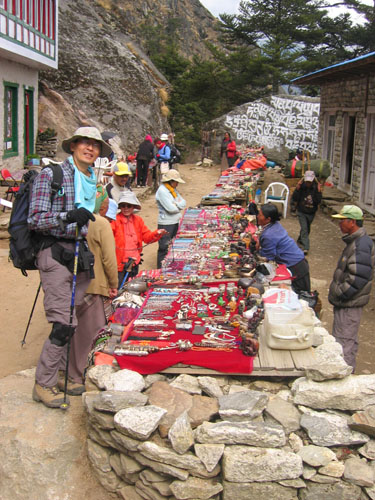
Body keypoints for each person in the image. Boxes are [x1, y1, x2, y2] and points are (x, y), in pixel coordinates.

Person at [28, 126, 112, 408]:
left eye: (95, 145)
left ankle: (60, 374)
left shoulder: (89, 180)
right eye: (85, 144)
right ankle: (44, 384)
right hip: (54, 253)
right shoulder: (51, 176)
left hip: (78, 253)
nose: (90, 149)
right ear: (74, 146)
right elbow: (36, 218)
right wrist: (68, 215)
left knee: (72, 317)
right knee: (63, 324)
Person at [67, 186, 118, 387]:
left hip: (71, 283)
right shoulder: (101, 223)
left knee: (72, 328)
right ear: (103, 206)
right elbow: (109, 259)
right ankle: (78, 374)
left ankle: (67, 368)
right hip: (93, 284)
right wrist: (113, 284)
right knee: (90, 333)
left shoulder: (73, 218)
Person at [329, 205, 375, 370]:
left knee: (344, 340)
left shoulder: (360, 245)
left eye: (342, 221)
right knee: (347, 337)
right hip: (349, 302)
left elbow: (357, 278)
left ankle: (344, 374)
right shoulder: (356, 240)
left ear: (352, 222)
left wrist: (339, 294)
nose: (340, 224)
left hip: (349, 302)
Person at [111, 190, 167, 287]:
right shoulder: (114, 221)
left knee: (132, 287)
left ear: (133, 207)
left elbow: (147, 237)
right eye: (123, 205)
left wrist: (157, 233)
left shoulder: (138, 220)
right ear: (120, 207)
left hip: (134, 262)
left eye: (129, 206)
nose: (126, 208)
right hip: (119, 264)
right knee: (119, 288)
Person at [256, 203, 311, 294]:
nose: (258, 216)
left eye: (260, 215)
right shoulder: (275, 224)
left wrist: (259, 250)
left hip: (296, 265)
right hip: (299, 260)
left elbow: (268, 255)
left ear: (268, 219)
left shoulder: (269, 235)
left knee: (302, 295)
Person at [155, 169, 186, 268]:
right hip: (166, 222)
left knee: (172, 245)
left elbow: (183, 202)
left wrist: (176, 204)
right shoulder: (162, 191)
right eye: (176, 182)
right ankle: (160, 268)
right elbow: (170, 209)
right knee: (164, 247)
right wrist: (178, 205)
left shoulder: (172, 190)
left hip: (175, 221)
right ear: (171, 181)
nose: (177, 184)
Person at [291, 170, 322, 255]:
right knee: (304, 228)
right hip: (301, 211)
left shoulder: (316, 188)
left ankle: (300, 240)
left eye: (309, 182)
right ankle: (306, 247)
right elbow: (295, 198)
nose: (308, 183)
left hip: (311, 212)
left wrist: (319, 192)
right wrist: (297, 189)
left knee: (307, 228)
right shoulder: (301, 187)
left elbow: (318, 201)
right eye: (307, 181)